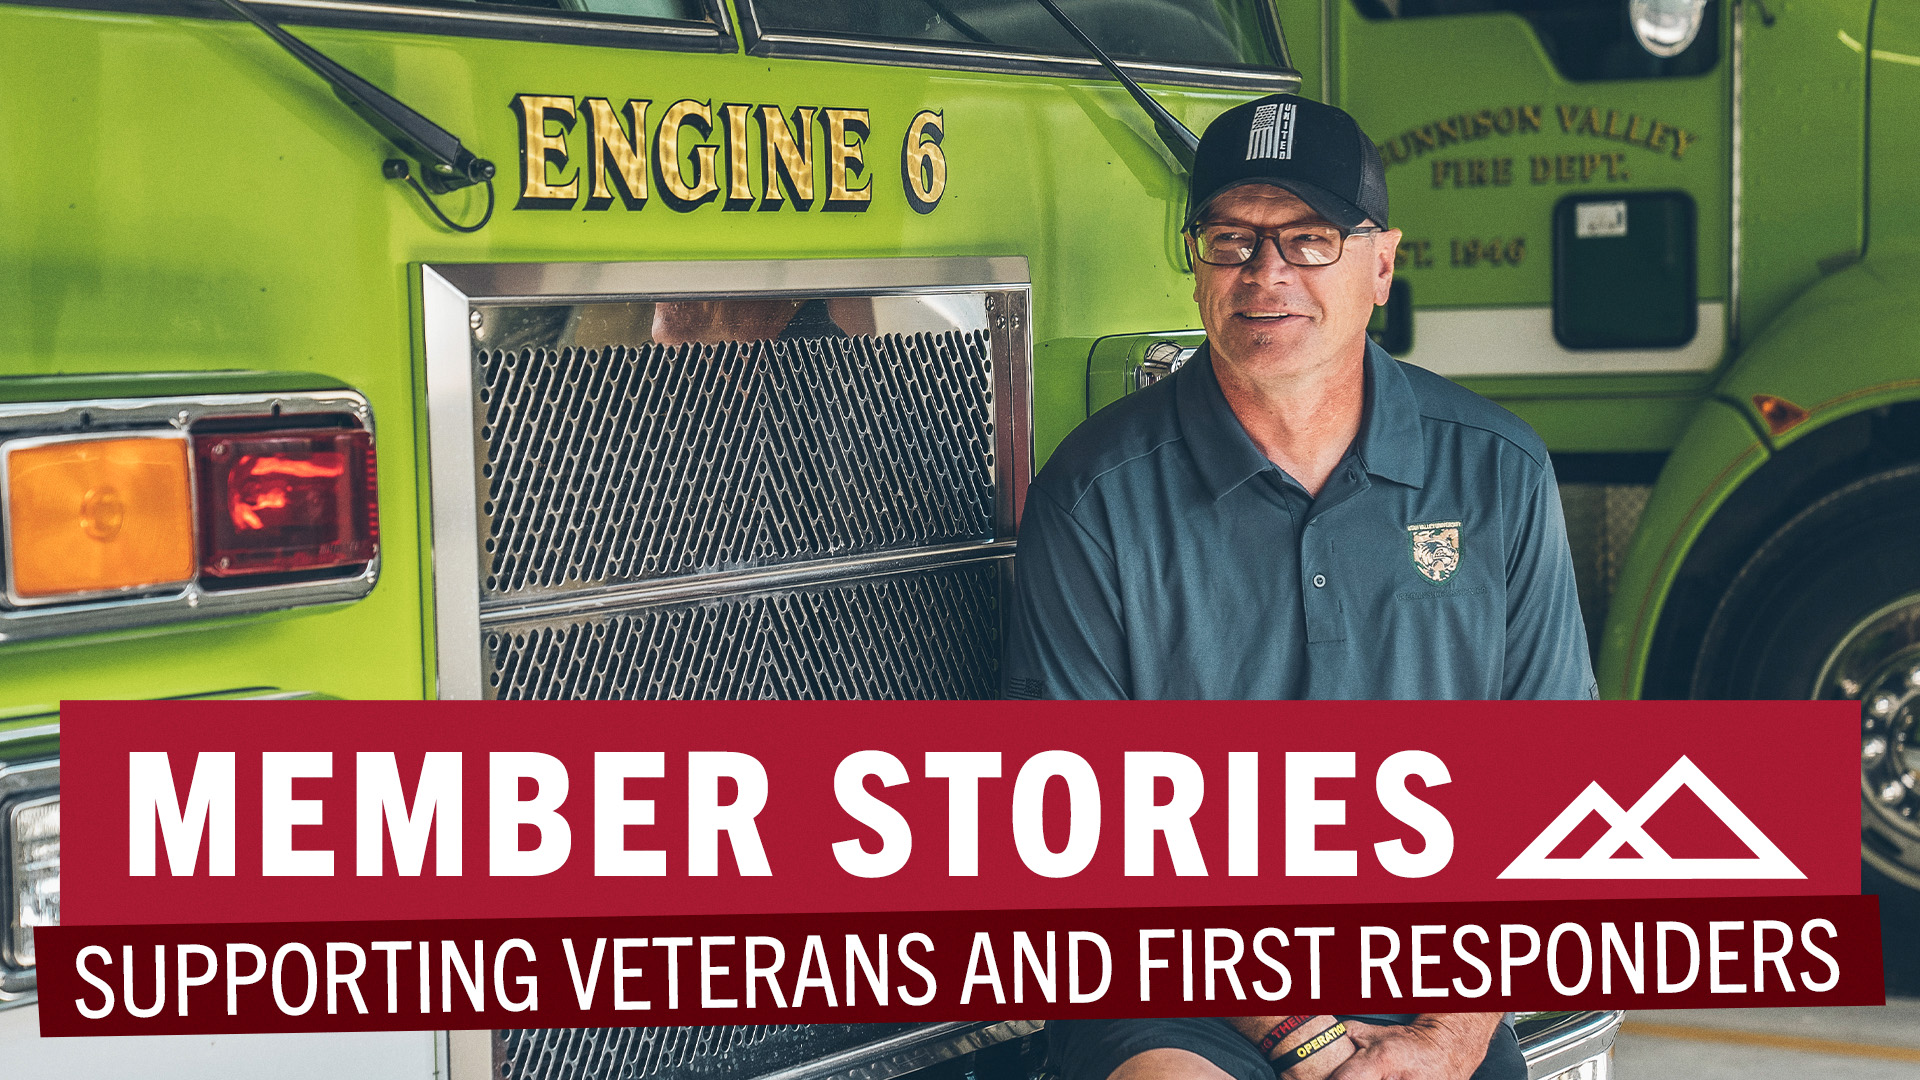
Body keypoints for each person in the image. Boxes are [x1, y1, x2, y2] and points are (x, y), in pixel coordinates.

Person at [1003, 94, 1597, 1080]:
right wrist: (1309, 1042)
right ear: (1195, 263)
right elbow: (1074, 824)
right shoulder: (1093, 494)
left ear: (1382, 262)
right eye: (1231, 238)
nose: (1266, 273)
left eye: (1309, 239)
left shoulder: (1497, 473)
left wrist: (1446, 1041)